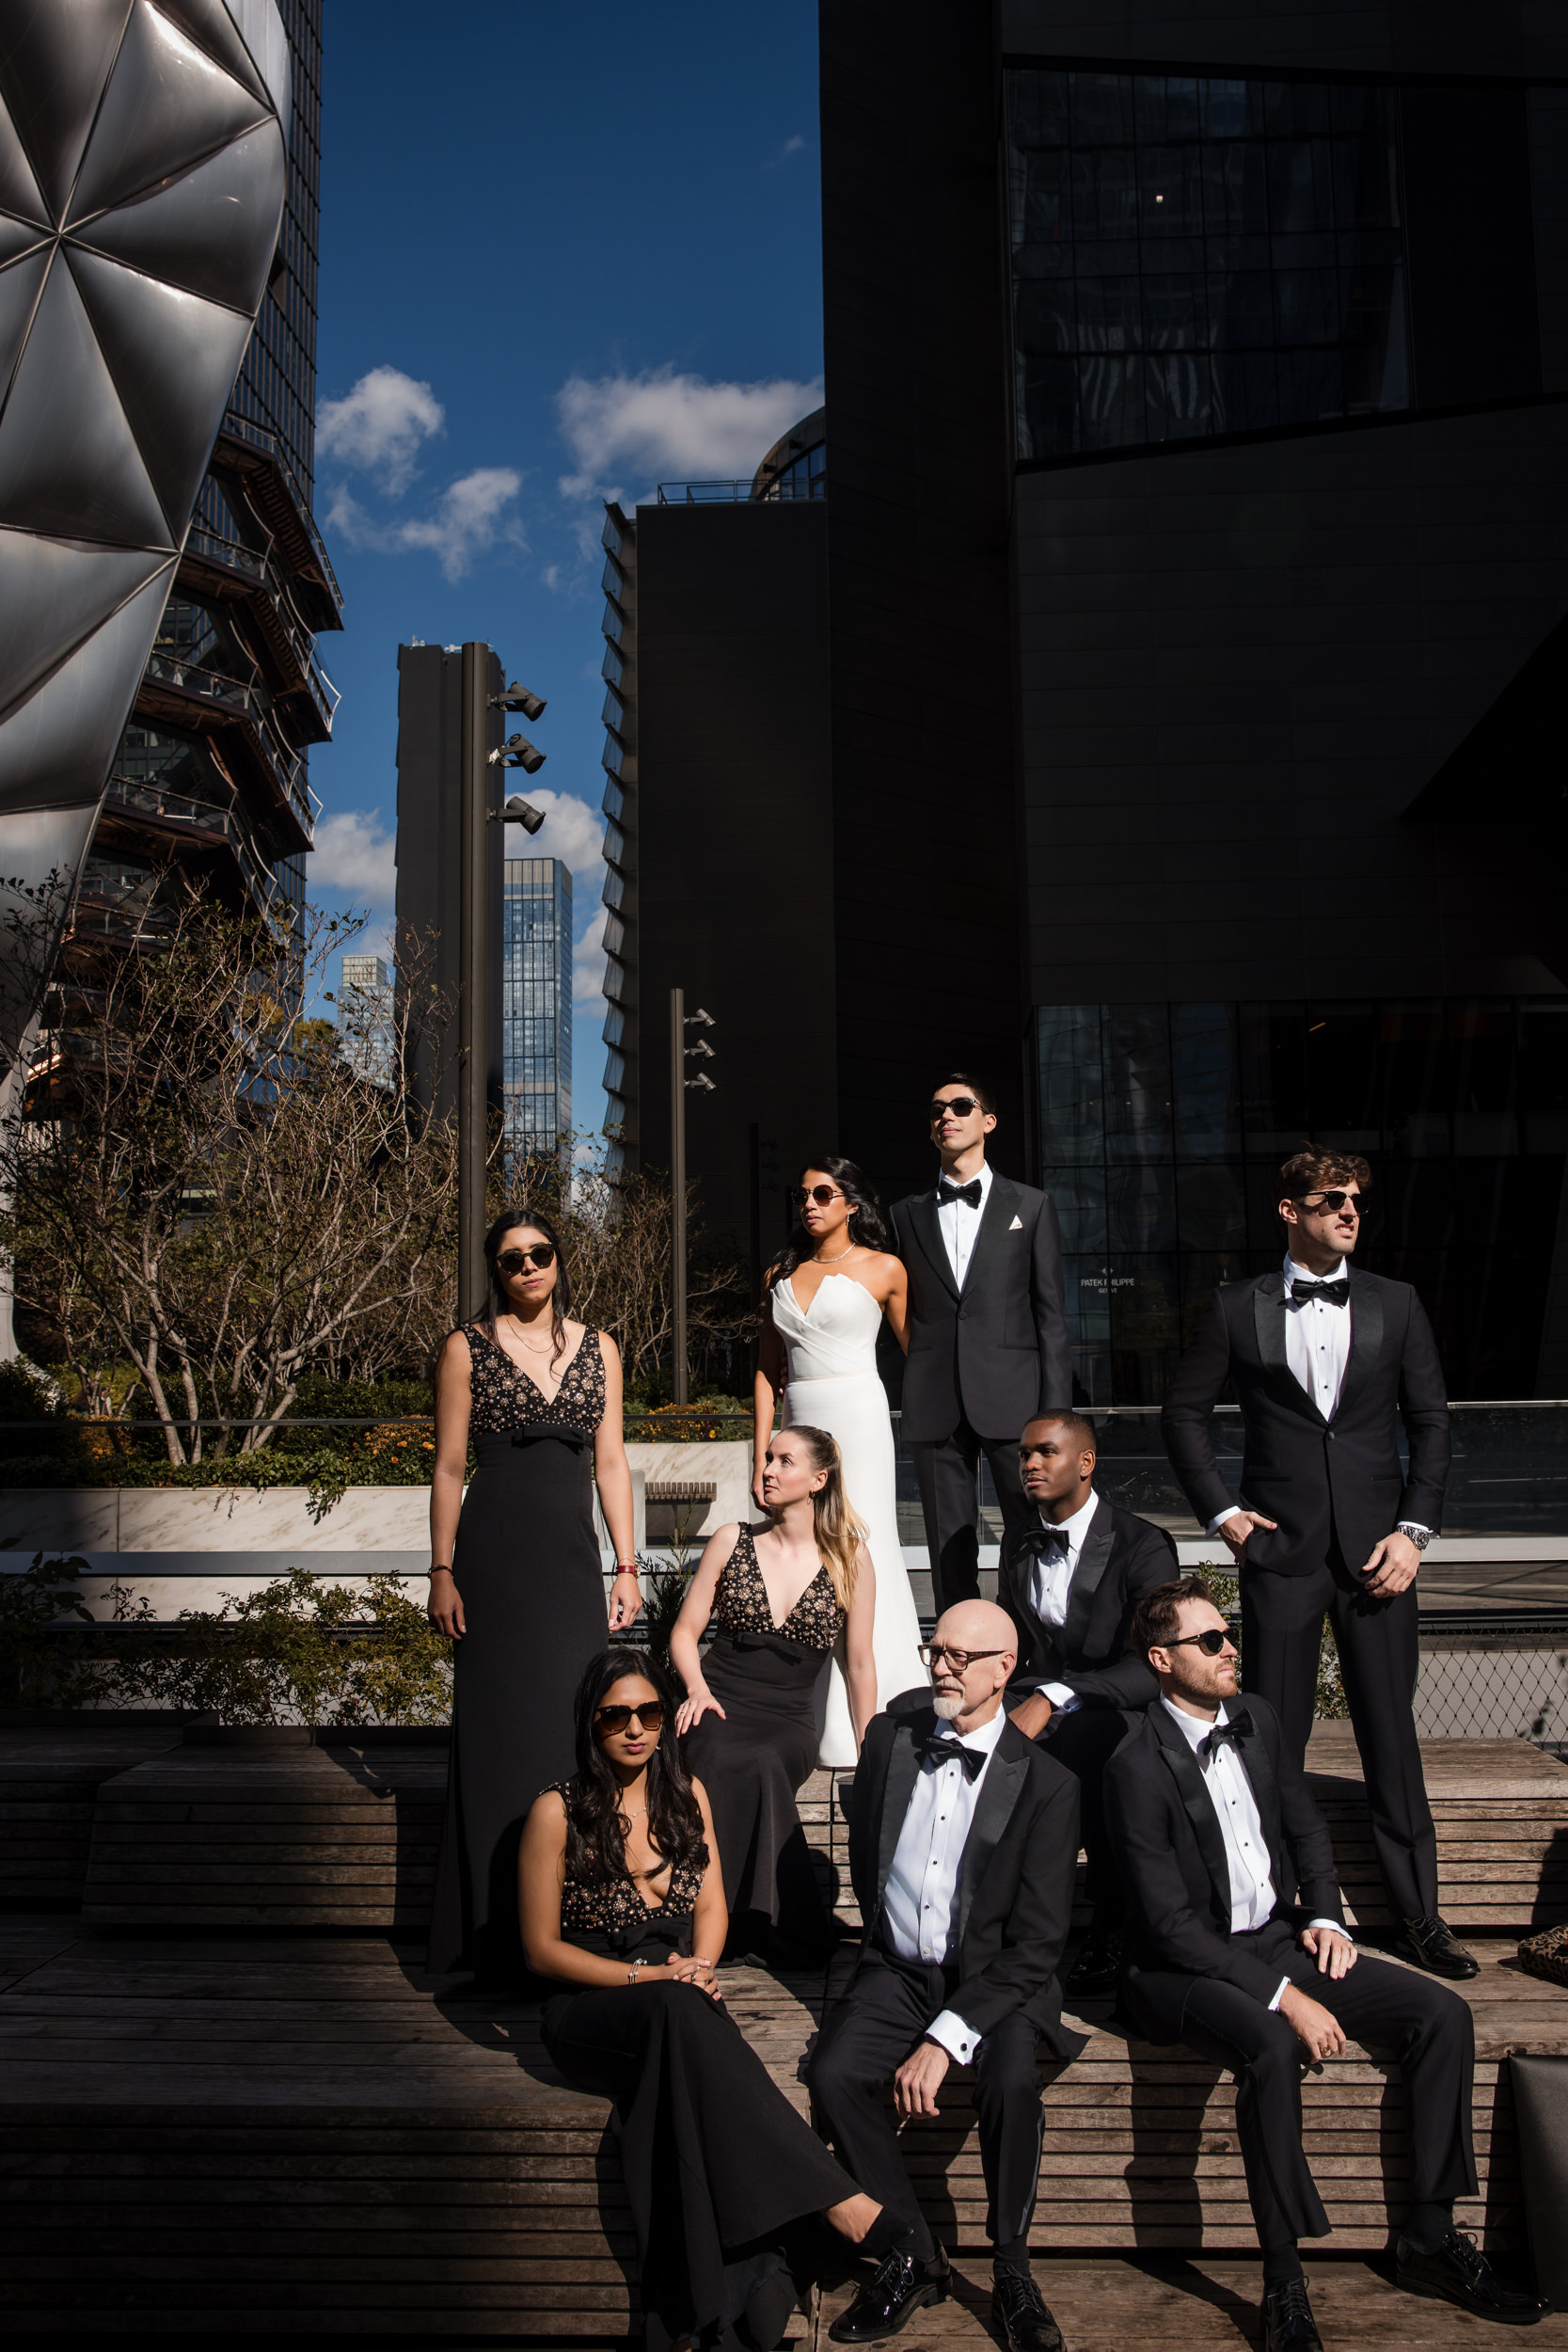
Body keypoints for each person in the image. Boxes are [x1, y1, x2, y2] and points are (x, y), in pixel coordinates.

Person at [1103, 1580, 1544, 2350]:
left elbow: (1304, 1824)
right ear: (1160, 1660)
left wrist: (1320, 1913)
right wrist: (1284, 1997)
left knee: (1441, 2013)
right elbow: (1169, 1925)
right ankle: (1283, 2281)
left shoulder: (1256, 1718)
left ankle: (1431, 2237)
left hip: (1276, 1939)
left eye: (1227, 1633)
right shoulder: (1132, 1762)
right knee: (1270, 2048)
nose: (1230, 1647)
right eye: (1209, 1641)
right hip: (1176, 1973)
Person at [521, 1647, 902, 2352]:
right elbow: (542, 1950)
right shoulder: (556, 1810)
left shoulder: (687, 1793)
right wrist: (653, 1979)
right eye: (616, 1716)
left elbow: (714, 1906)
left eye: (649, 1712)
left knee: (686, 2018)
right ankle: (847, 2209)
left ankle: (744, 2297)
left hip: (678, 1992)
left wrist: (697, 1963)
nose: (635, 1728)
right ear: (590, 1724)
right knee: (678, 2010)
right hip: (590, 2006)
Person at [1160, 1148, 1473, 1979]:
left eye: (1357, 1200)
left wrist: (1414, 1531)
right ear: (1288, 1210)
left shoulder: (1395, 1304)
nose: (1349, 1211)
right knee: (1274, 1737)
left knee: (1389, 1737)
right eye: (1330, 1199)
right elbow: (1182, 1416)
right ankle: (1288, 1909)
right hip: (1281, 1554)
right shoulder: (1236, 1307)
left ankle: (1418, 1917)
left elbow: (1432, 1424)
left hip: (1379, 1557)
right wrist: (1224, 1516)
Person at [807, 1600, 1085, 2352]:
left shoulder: (1047, 1784)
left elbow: (1036, 1946)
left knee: (1009, 2080)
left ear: (1005, 1670)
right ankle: (911, 2254)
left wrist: (944, 2037)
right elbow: (872, 1866)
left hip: (998, 1980)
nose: (942, 1666)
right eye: (938, 1650)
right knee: (832, 2074)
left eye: (964, 1657)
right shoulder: (889, 1744)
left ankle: (1011, 2270)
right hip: (896, 1969)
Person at [426, 1208, 641, 1982]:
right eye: (511, 1258)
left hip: (570, 1566)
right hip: (492, 1564)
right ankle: (492, 1939)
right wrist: (441, 1570)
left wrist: (625, 1566)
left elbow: (610, 1464)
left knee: (569, 1732)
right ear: (496, 1271)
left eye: (539, 1253)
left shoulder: (601, 1348)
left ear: (558, 1260)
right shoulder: (465, 1349)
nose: (527, 1267)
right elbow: (449, 1468)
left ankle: (570, 1925)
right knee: (497, 1741)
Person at [673, 1425, 877, 1963]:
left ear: (818, 1480)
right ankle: (714, 1917)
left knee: (763, 1757)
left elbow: (858, 1664)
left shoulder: (850, 1559)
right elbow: (683, 1632)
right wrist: (695, 1689)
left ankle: (751, 1920)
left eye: (785, 1461)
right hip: (716, 1696)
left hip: (788, 1720)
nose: (768, 1468)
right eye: (768, 1458)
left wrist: (869, 1745)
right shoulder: (730, 1539)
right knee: (717, 1750)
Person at [1000, 1410, 1178, 2001]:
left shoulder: (1143, 1544)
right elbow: (1014, 1639)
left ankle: (1110, 1924)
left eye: (1045, 1452)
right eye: (1025, 1454)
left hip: (1119, 1706)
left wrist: (1056, 1697)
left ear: (1085, 1463)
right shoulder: (1019, 1536)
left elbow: (1153, 1664)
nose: (1030, 1464)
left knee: (1093, 1749)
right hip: (1036, 1697)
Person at [753, 1157, 926, 1764]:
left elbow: (918, 1358)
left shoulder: (886, 1268)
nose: (810, 1204)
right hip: (798, 1417)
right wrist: (761, 1453)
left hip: (860, 1417)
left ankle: (879, 1712)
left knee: (862, 1544)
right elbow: (765, 1369)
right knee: (803, 1549)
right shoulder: (780, 1271)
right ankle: (809, 1713)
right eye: (801, 1195)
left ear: (851, 1203)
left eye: (823, 1194)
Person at [889, 1075, 1072, 1616]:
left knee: (1030, 1534)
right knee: (948, 1544)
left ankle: (1030, 1650)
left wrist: (1057, 1415)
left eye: (961, 1106)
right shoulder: (905, 1214)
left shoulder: (1033, 1206)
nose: (946, 1115)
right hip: (934, 1400)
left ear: (987, 1121)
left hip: (1016, 1403)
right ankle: (958, 1657)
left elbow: (1051, 1317)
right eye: (937, 1108)